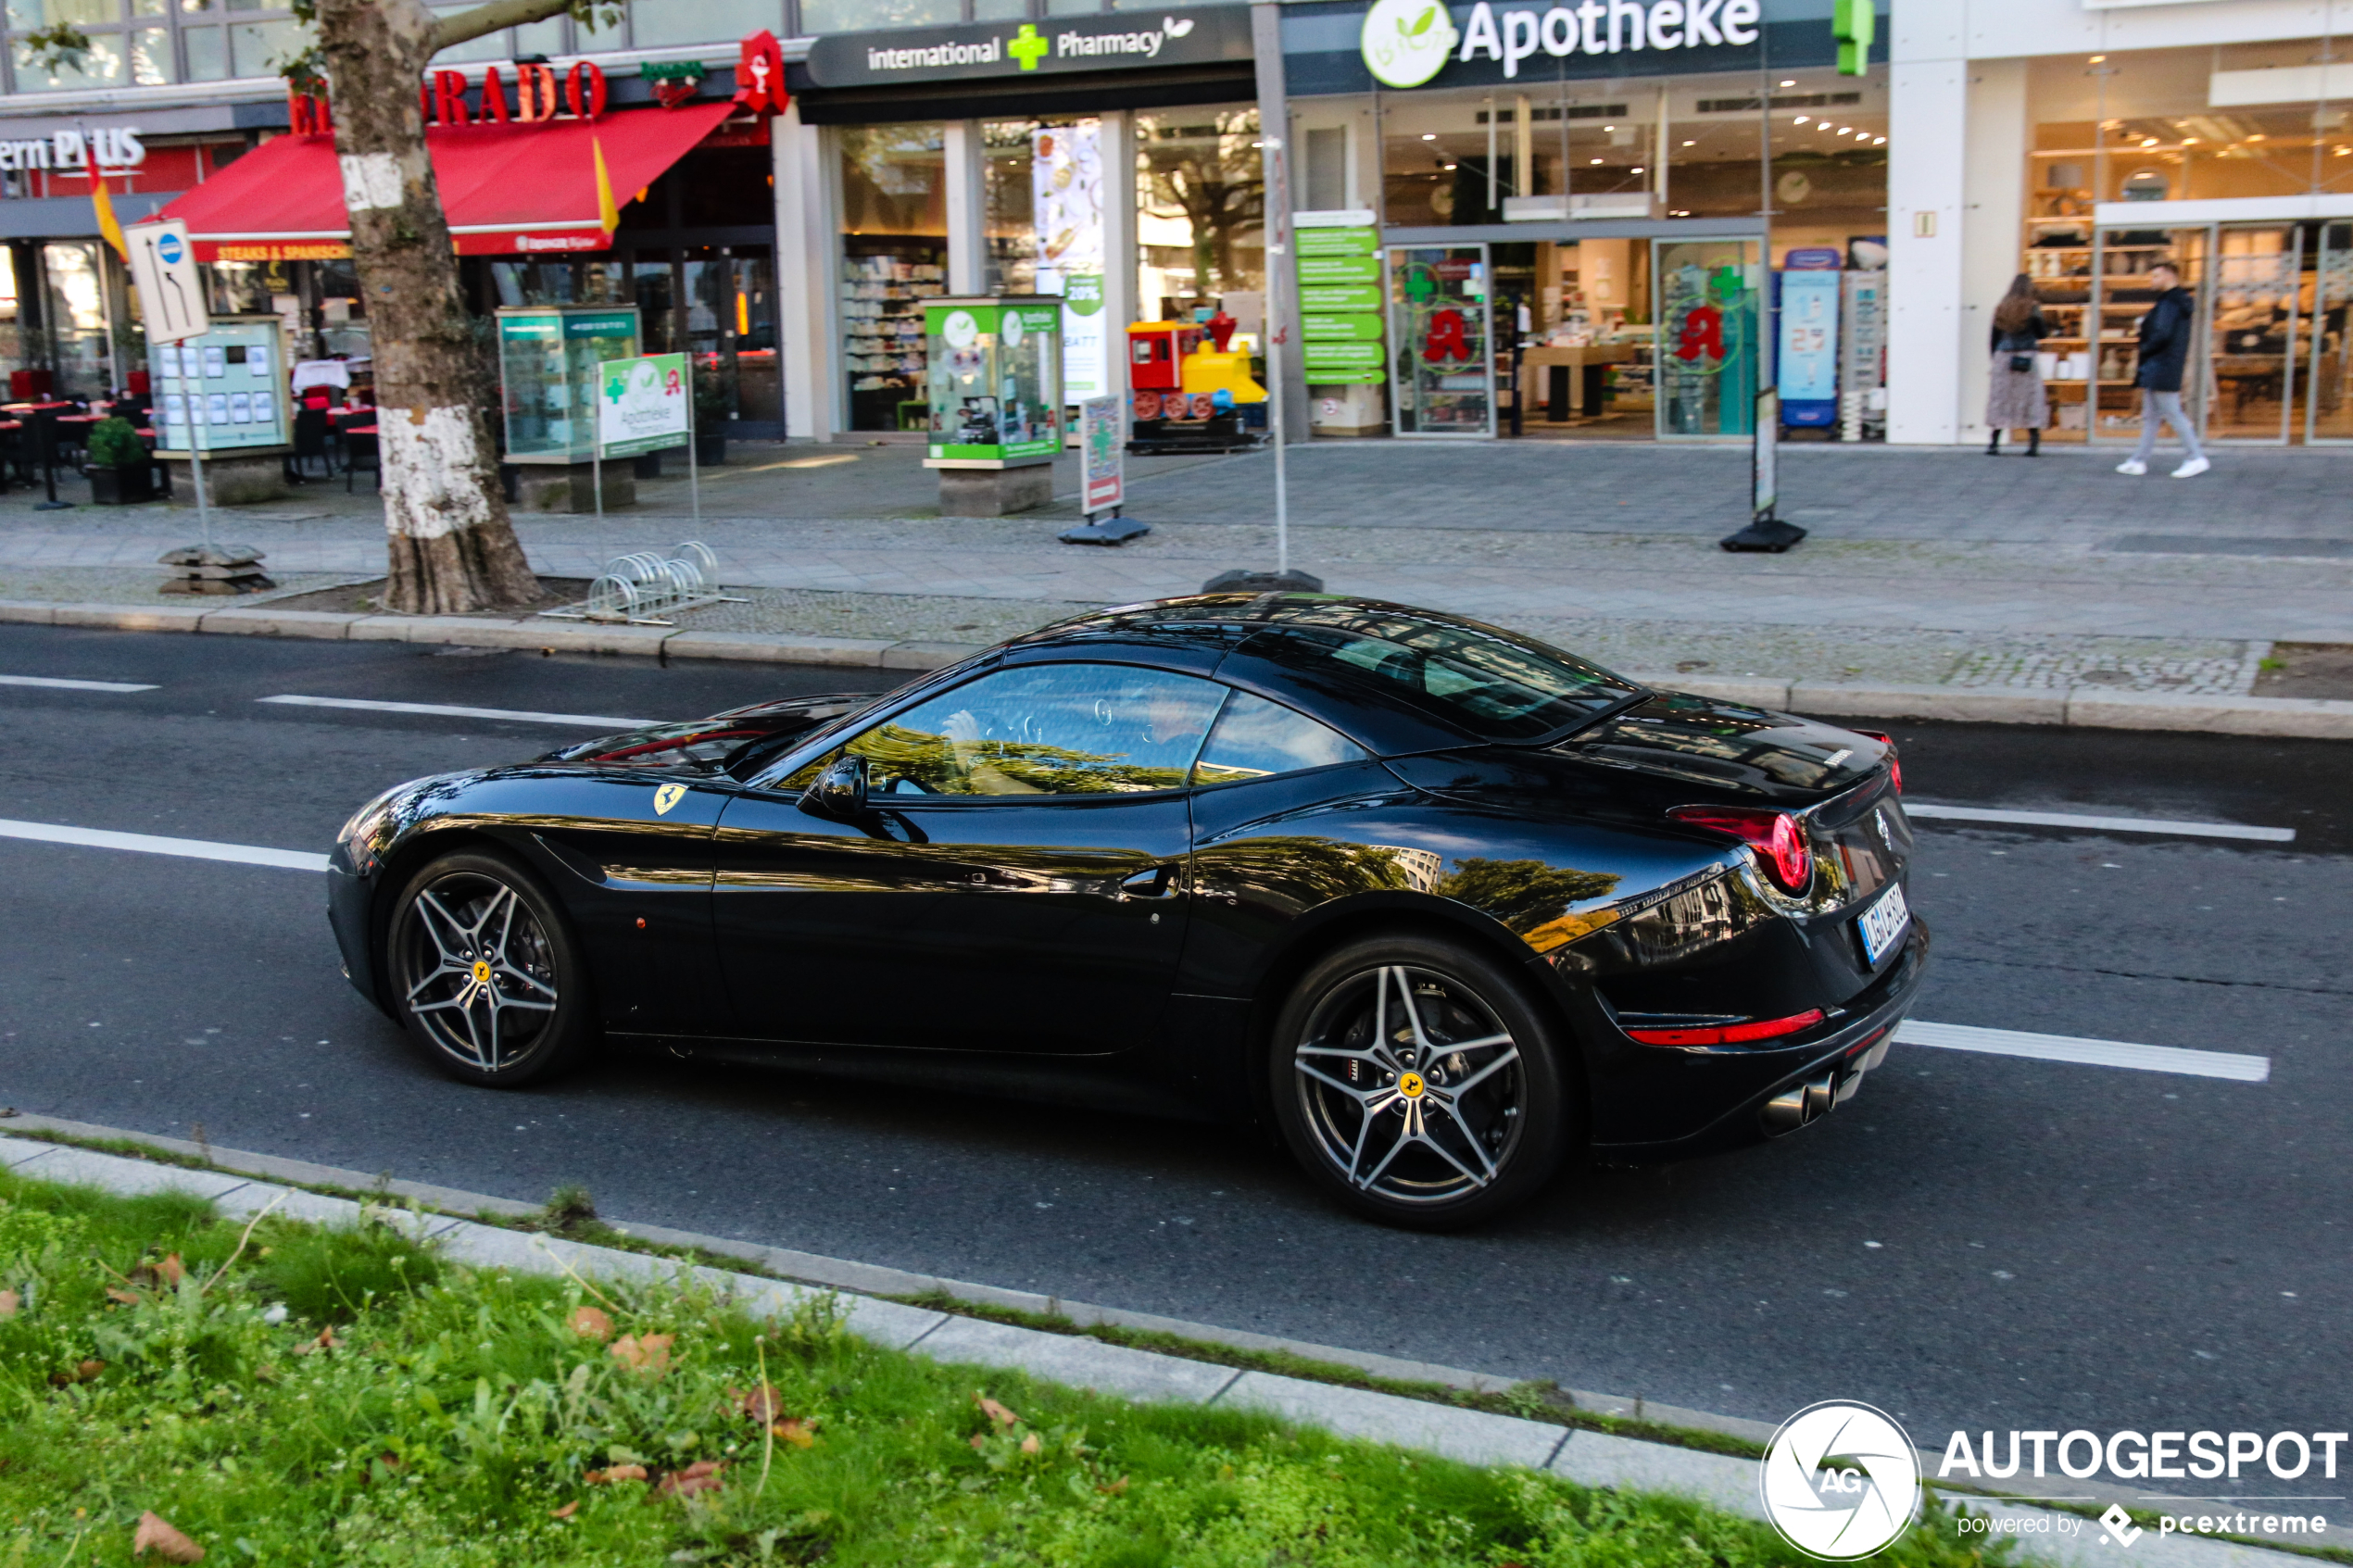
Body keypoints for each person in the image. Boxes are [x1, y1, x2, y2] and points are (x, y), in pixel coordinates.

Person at [2118, 260, 2208, 478]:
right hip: (2162, 363)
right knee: (2151, 415)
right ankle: (2139, 460)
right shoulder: (2174, 302)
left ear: (2169, 276)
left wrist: (2145, 343)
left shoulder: (2169, 303)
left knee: (2172, 412)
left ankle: (2195, 457)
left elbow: (2162, 333)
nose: (2152, 280)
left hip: (2161, 364)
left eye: (2156, 276)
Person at [1984, 273, 2048, 455]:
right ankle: (2033, 443)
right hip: (2026, 356)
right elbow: (2042, 333)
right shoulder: (2033, 308)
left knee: (2001, 398)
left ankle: (1994, 442)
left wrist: (1995, 359)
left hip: (2003, 356)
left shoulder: (2002, 308)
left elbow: (1993, 337)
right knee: (2030, 398)